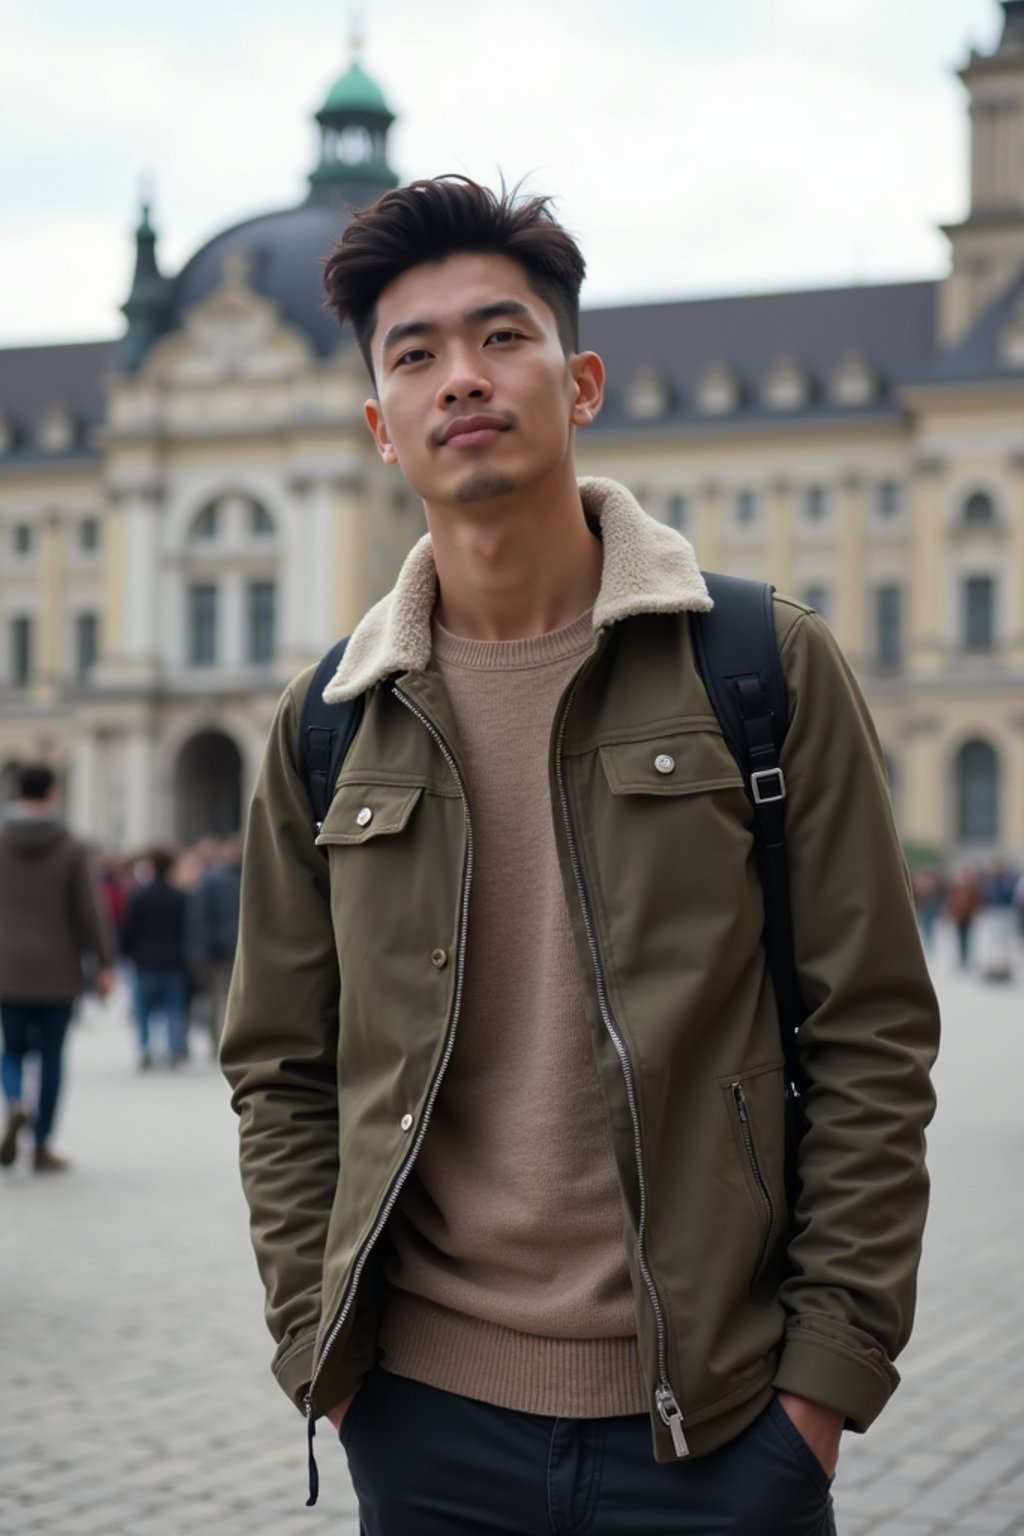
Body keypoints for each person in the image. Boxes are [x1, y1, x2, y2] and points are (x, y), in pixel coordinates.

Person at [220, 178, 940, 1536]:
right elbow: (280, 1063)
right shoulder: (328, 721)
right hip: (425, 1427)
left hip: (722, 1428)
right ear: (380, 426)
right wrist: (331, 1356)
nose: (462, 380)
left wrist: (820, 1396)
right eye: (415, 355)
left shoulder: (760, 661)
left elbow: (874, 1037)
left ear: (584, 380)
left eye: (503, 336)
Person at [0, 762, 115, 1173]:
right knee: (52, 1058)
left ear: (14, 792)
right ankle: (42, 1144)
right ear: (51, 794)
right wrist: (103, 963)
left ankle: (13, 1101)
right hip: (58, 969)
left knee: (10, 1050)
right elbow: (89, 911)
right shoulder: (70, 845)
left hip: (6, 969)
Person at [120, 846, 190, 1069]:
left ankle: (145, 1048)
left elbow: (128, 928)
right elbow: (187, 929)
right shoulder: (179, 896)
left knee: (143, 1009)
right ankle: (172, 1048)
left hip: (145, 960)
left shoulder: (140, 895)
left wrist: (127, 953)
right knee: (172, 1007)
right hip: (173, 959)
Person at [185, 836, 242, 1048]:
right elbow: (199, 919)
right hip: (224, 949)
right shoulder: (215, 879)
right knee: (223, 998)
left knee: (223, 998)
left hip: (225, 948)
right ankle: (223, 1040)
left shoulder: (213, 879)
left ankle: (223, 1040)